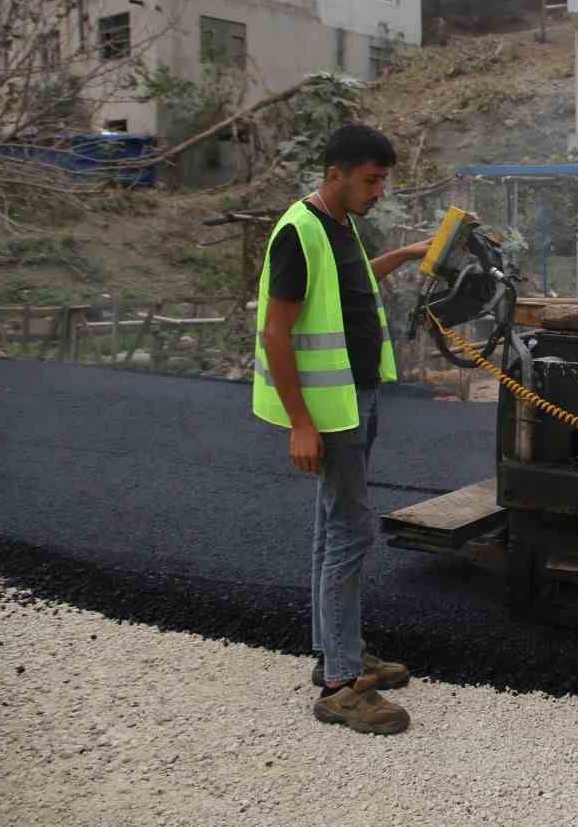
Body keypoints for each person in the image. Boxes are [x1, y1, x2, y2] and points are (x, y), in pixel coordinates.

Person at [253, 124, 433, 736]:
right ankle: (339, 685)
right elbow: (275, 333)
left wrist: (410, 255)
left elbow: (352, 286)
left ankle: (336, 650)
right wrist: (301, 422)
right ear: (335, 174)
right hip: (328, 412)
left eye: (383, 180)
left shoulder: (339, 224)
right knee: (351, 530)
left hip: (355, 398)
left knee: (335, 524)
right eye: (371, 180)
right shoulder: (300, 233)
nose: (379, 191)